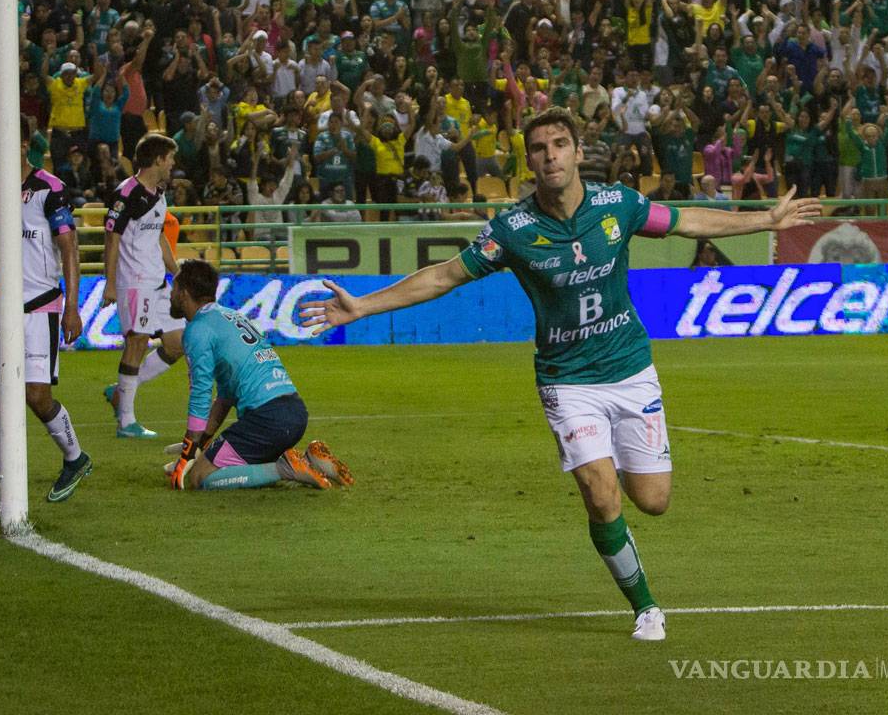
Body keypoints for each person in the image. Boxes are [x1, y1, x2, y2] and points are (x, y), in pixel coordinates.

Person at [299, 107, 822, 641]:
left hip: (629, 370)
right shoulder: (513, 229)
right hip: (566, 379)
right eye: (540, 149)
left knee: (654, 500)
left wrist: (765, 220)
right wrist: (362, 306)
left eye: (559, 145)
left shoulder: (619, 204)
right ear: (530, 162)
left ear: (576, 152)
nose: (550, 155)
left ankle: (610, 469)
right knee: (599, 494)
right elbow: (445, 277)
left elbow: (687, 221)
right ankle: (645, 605)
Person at [0, 121, 90, 508]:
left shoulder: (49, 189)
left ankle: (76, 458)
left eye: (3, 142)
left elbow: (69, 248)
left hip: (40, 305)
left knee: (35, 395)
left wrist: (72, 306)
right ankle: (1, 479)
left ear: (24, 144)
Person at [165, 260, 352, 491]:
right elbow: (225, 396)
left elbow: (201, 393)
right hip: (293, 412)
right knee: (234, 464)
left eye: (173, 288)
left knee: (199, 477)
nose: (170, 294)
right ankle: (311, 460)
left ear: (183, 294)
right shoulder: (230, 316)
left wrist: (189, 448)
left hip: (265, 419)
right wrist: (202, 442)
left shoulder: (197, 330)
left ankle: (286, 467)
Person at [101, 134, 184, 439]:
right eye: (170, 158)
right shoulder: (127, 194)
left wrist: (176, 273)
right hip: (135, 282)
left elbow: (159, 235)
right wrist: (109, 284)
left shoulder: (159, 193)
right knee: (137, 343)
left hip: (158, 282)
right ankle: (126, 422)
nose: (173, 163)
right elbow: (112, 239)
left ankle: (119, 392)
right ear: (158, 159)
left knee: (177, 344)